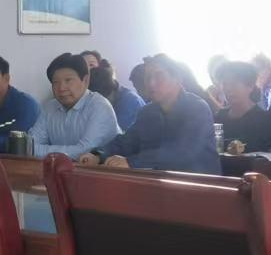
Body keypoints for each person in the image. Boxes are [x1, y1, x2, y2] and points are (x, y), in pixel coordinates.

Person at [85, 54, 220, 174]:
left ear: (177, 78)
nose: (151, 83)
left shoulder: (197, 108)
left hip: (200, 186)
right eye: (147, 77)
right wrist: (98, 154)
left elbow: (182, 152)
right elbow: (126, 142)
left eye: (159, 76)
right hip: (159, 185)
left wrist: (132, 162)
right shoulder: (147, 113)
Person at [27, 53, 120, 158]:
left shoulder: (99, 106)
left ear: (85, 80)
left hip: (101, 167)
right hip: (59, 167)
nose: (61, 88)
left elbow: (85, 152)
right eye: (55, 82)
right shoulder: (50, 107)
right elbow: (28, 146)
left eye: (68, 80)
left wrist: (42, 150)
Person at [214, 59, 271, 151]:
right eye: (225, 84)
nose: (228, 89)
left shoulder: (264, 120)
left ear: (250, 86)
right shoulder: (219, 118)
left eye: (233, 84)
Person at [88, 60, 144, 130]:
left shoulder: (130, 102)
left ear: (112, 91)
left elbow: (114, 133)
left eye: (104, 100)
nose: (101, 105)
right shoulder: (116, 95)